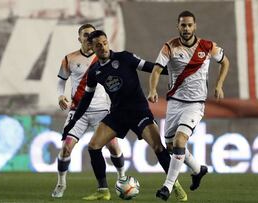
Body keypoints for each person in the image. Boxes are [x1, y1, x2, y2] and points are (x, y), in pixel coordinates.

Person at [62, 30, 188, 202]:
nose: (103, 47)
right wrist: (74, 120)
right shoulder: (95, 71)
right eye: (98, 45)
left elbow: (150, 67)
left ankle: (176, 187)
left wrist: (177, 71)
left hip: (139, 111)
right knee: (93, 146)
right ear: (92, 47)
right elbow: (86, 98)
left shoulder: (124, 57)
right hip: (118, 114)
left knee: (158, 148)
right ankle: (103, 190)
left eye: (105, 43)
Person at [148, 10, 230, 201]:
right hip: (174, 103)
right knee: (170, 146)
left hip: (195, 104)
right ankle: (198, 169)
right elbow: (157, 69)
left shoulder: (207, 46)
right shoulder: (169, 47)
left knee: (179, 141)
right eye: (183, 25)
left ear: (195, 26)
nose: (186, 28)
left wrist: (219, 85)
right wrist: (152, 89)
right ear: (178, 26)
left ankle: (167, 187)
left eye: (189, 25)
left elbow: (225, 62)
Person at [51, 24, 126, 200]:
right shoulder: (70, 58)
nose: (89, 37)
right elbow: (61, 80)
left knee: (113, 146)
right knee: (66, 149)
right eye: (86, 35)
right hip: (78, 111)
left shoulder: (105, 57)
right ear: (80, 38)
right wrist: (60, 95)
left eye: (92, 34)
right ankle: (61, 183)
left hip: (101, 111)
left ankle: (122, 178)